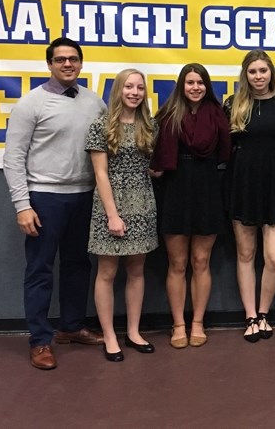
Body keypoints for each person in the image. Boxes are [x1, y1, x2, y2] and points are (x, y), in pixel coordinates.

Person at [3, 37, 106, 370]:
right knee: (40, 270)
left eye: (73, 59)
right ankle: (40, 341)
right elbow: (13, 157)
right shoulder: (30, 104)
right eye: (60, 59)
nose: (67, 64)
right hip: (44, 198)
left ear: (80, 63)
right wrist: (22, 204)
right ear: (49, 64)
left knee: (78, 265)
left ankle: (71, 327)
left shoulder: (95, 103)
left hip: (84, 195)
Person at [152, 63, 231, 349]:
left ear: (207, 86)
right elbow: (155, 155)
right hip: (175, 189)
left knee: (201, 261)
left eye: (200, 82)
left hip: (208, 189)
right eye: (189, 82)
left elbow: (225, 152)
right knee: (177, 263)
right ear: (181, 86)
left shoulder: (218, 114)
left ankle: (198, 322)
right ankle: (178, 324)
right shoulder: (168, 115)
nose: (195, 87)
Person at [86, 69, 158, 362]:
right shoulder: (101, 126)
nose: (134, 92)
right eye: (129, 86)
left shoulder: (150, 125)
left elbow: (151, 164)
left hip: (143, 201)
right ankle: (110, 336)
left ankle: (133, 331)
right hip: (110, 203)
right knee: (107, 272)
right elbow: (101, 174)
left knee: (137, 270)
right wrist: (112, 215)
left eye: (139, 87)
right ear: (119, 90)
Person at [223, 50, 275, 342]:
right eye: (253, 72)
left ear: (271, 72)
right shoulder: (233, 103)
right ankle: (250, 316)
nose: (258, 76)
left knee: (274, 257)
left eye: (263, 70)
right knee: (246, 253)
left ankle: (264, 313)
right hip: (243, 181)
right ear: (245, 75)